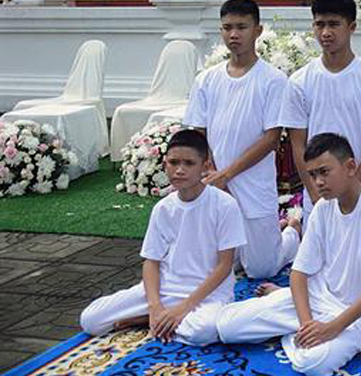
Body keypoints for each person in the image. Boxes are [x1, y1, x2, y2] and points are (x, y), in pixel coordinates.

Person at [216, 133, 361, 376]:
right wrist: (307, 324)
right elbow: (299, 273)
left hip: (356, 315)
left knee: (313, 365)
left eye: (324, 172)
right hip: (316, 300)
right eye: (312, 174)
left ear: (350, 167)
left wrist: (332, 328)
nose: (317, 182)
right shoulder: (322, 209)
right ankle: (292, 316)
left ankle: (288, 320)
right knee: (227, 326)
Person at [80, 129, 245, 345]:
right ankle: (155, 319)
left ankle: (155, 321)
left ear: (205, 166)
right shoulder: (163, 208)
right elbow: (151, 261)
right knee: (90, 320)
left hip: (207, 295)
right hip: (165, 289)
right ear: (165, 164)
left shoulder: (225, 205)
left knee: (203, 332)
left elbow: (225, 266)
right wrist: (155, 306)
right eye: (173, 162)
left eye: (189, 163)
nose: (179, 170)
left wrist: (183, 308)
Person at [184, 0, 297, 279]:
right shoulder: (207, 79)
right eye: (227, 28)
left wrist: (228, 174)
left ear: (257, 31)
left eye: (242, 27)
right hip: (215, 182)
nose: (234, 35)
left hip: (253, 183)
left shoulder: (273, 79)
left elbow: (271, 139)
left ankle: (293, 231)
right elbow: (198, 133)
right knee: (211, 266)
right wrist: (210, 172)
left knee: (262, 269)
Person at [279, 0, 361, 216]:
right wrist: (314, 192)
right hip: (319, 196)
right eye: (319, 25)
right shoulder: (300, 81)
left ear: (351, 27)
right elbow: (298, 144)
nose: (326, 33)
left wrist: (352, 190)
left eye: (334, 24)